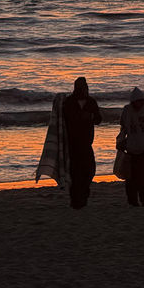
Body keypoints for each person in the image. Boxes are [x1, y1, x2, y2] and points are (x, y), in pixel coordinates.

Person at [62, 76, 102, 209]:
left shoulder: (91, 102)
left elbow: (98, 119)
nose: (83, 89)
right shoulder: (68, 102)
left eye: (84, 87)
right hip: (72, 143)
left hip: (86, 142)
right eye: (80, 87)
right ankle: (76, 201)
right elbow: (63, 119)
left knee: (89, 171)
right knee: (74, 173)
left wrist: (89, 116)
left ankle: (84, 196)